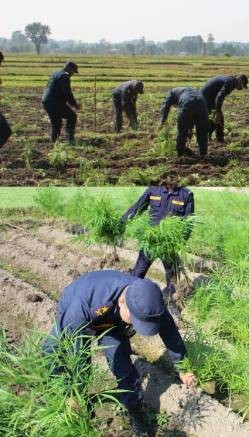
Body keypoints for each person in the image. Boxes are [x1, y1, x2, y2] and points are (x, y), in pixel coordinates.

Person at [43, 270, 196, 437]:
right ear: (123, 301)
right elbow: (76, 356)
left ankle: (135, 410)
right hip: (79, 310)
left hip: (112, 321)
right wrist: (74, 393)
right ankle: (69, 398)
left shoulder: (149, 302)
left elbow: (170, 332)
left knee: (123, 367)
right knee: (55, 354)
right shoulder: (80, 309)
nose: (137, 326)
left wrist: (183, 366)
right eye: (135, 320)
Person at [121, 181, 194, 319]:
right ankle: (128, 302)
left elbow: (188, 222)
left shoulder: (186, 194)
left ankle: (172, 305)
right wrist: (121, 223)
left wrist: (179, 243)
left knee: (171, 277)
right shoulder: (153, 190)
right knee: (138, 272)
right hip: (151, 242)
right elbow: (137, 208)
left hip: (169, 244)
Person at [160, 87, 210, 157]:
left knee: (182, 131)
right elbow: (193, 113)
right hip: (202, 102)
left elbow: (165, 106)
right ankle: (203, 153)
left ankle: (180, 154)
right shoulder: (185, 90)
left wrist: (162, 121)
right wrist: (190, 128)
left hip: (188, 102)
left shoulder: (170, 94)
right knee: (202, 129)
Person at [200, 74, 249, 143]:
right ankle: (217, 139)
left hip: (207, 97)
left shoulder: (230, 80)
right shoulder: (230, 83)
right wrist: (218, 112)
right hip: (206, 98)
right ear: (240, 81)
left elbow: (219, 97)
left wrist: (217, 111)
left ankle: (211, 137)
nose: (241, 88)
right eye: (242, 85)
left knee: (215, 119)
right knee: (218, 119)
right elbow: (219, 97)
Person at [42, 62, 80, 144]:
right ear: (69, 68)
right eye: (73, 71)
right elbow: (67, 93)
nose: (73, 74)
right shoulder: (64, 77)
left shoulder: (56, 73)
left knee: (56, 123)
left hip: (46, 101)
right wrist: (75, 104)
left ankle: (54, 142)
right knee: (72, 116)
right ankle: (70, 138)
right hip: (54, 102)